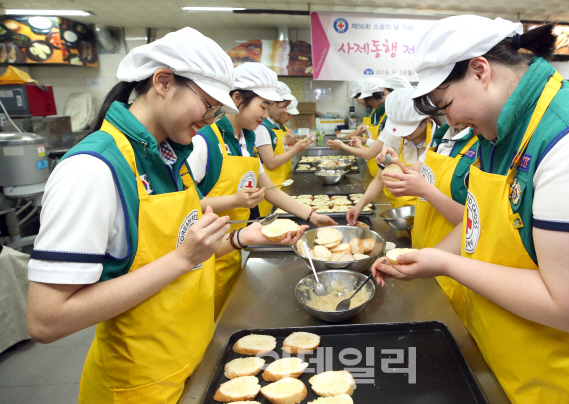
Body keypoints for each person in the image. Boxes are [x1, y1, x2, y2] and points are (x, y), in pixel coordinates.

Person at [372, 16, 569, 403]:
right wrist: (422, 257)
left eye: (447, 105)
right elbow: (480, 222)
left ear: (480, 70)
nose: (450, 120)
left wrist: (446, 265)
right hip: (505, 358)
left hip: (566, 379)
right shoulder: (498, 131)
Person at [25, 28, 307, 404]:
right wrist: (182, 258)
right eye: (207, 105)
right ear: (163, 81)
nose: (210, 119)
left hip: (194, 363)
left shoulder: (173, 157)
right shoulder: (93, 169)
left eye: (216, 111)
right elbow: (46, 320)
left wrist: (240, 239)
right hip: (138, 386)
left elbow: (181, 254)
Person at [187, 62, 337, 316]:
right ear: (236, 99)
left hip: (231, 249)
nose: (265, 114)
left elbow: (270, 190)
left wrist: (311, 216)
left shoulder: (246, 140)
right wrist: (235, 200)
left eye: (268, 107)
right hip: (199, 258)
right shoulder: (205, 141)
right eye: (263, 106)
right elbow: (185, 206)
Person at [375, 117, 478, 322]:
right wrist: (398, 166)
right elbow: (419, 172)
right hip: (425, 248)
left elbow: (476, 221)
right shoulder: (442, 136)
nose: (449, 113)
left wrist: (426, 191)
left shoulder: (482, 142)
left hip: (453, 261)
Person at [345, 87, 434, 212]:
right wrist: (360, 205)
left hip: (430, 210)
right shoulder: (394, 137)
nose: (403, 135)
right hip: (402, 208)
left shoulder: (438, 140)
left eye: (409, 132)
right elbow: (380, 177)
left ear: (426, 119)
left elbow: (415, 173)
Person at [255, 82, 311, 216]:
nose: (286, 112)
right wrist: (296, 149)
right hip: (269, 192)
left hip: (278, 187)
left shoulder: (273, 126)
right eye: (284, 106)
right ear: (271, 103)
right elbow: (271, 162)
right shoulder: (262, 128)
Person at [328, 77, 387, 177]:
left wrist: (342, 144)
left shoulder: (387, 114)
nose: (359, 101)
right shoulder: (375, 111)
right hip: (376, 164)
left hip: (381, 164)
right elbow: (379, 141)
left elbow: (379, 148)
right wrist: (365, 135)